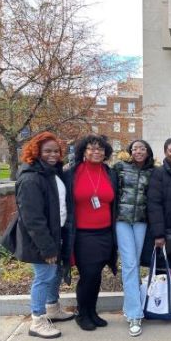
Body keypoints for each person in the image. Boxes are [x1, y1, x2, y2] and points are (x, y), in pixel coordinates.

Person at [13, 132, 74, 339]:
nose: (53, 154)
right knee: (44, 277)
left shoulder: (51, 173)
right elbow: (33, 219)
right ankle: (37, 320)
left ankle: (53, 308)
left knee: (54, 273)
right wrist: (47, 248)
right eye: (47, 151)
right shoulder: (31, 178)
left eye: (56, 151)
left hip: (56, 235)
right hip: (41, 240)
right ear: (36, 151)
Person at [62, 135, 119, 331]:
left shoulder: (109, 173)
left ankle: (92, 312)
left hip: (106, 233)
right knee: (89, 274)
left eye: (100, 149)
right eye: (92, 148)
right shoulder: (72, 173)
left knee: (97, 276)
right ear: (83, 151)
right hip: (84, 235)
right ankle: (82, 313)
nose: (97, 152)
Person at [113, 139, 154, 337]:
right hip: (121, 220)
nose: (138, 151)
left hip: (140, 221)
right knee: (129, 264)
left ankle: (131, 305)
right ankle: (134, 314)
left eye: (142, 148)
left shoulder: (152, 171)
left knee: (135, 264)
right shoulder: (120, 167)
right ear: (130, 151)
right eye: (135, 147)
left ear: (147, 152)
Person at [142, 138, 171, 272]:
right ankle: (163, 293)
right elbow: (154, 205)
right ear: (165, 152)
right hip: (167, 229)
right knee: (164, 268)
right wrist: (159, 234)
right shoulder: (158, 173)